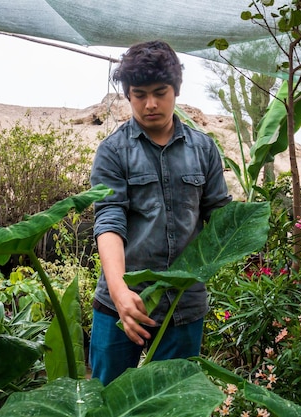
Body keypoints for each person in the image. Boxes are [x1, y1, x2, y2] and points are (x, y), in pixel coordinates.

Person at [88, 39, 232, 385]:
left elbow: (221, 219)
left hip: (183, 306)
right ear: (128, 96)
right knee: (109, 402)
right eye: (139, 94)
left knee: (171, 403)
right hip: (120, 304)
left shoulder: (204, 149)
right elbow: (109, 220)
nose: (150, 104)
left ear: (176, 91)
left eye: (160, 92)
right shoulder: (112, 152)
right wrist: (121, 292)